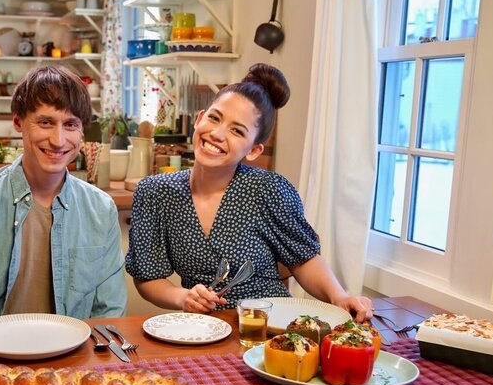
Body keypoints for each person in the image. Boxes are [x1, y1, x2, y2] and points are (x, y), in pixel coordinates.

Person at [125, 63, 373, 321]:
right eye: (214, 118)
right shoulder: (154, 192)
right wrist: (183, 297)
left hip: (271, 327)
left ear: (254, 150)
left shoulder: (269, 189)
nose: (217, 134)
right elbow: (148, 277)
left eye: (237, 130)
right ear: (199, 119)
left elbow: (304, 260)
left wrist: (339, 297)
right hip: (201, 330)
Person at [0, 66, 126, 330]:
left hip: (72, 364)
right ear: (18, 123)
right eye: (45, 122)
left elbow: (108, 316)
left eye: (70, 124)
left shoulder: (101, 208)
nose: (58, 140)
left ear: (81, 131)